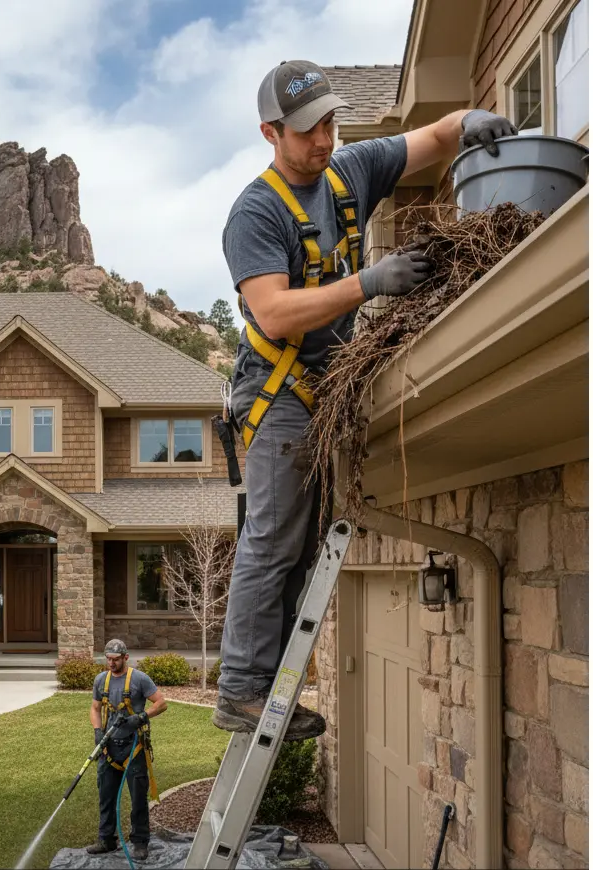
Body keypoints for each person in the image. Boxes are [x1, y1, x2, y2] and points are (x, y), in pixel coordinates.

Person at [214, 60, 518, 739]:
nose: (322, 140)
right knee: (272, 539)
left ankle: (272, 691)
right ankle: (240, 689)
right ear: (270, 132)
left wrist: (470, 121)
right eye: (305, 131)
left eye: (328, 123)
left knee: (301, 545)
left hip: (327, 394)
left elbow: (433, 137)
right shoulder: (257, 212)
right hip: (278, 392)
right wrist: (370, 282)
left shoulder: (349, 172)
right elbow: (273, 314)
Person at [86, 639, 168, 861]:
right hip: (109, 748)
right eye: (108, 659)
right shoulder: (101, 680)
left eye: (116, 659)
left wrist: (140, 717)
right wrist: (97, 732)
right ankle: (106, 839)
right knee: (106, 796)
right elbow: (95, 708)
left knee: (138, 797)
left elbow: (161, 703)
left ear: (125, 658)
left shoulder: (139, 679)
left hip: (134, 746)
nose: (111, 664)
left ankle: (140, 841)